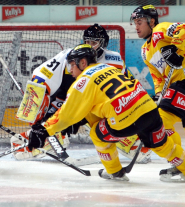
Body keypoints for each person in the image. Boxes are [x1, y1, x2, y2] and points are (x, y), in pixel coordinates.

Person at [27, 44, 185, 182]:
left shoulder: (82, 82)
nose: (70, 70)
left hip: (125, 120)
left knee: (97, 134)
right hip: (149, 111)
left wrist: (44, 130)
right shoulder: (110, 68)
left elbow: (66, 115)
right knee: (163, 146)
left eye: (72, 65)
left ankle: (115, 172)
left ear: (83, 62)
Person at [11, 23, 151, 164]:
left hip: (91, 105)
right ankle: (49, 138)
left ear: (104, 44)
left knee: (114, 111)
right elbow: (39, 80)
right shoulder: (69, 56)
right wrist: (37, 122)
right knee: (40, 108)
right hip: (63, 102)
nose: (89, 45)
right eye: (87, 41)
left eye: (94, 42)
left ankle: (129, 141)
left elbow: (127, 87)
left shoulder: (114, 60)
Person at [130, 4, 185, 177]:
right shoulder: (145, 51)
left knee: (159, 122)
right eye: (135, 23)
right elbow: (157, 77)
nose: (136, 26)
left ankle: (182, 166)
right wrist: (160, 94)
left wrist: (173, 46)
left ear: (151, 21)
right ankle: (182, 165)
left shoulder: (160, 30)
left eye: (140, 22)